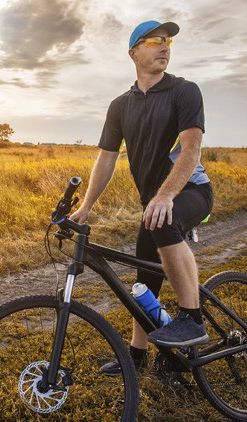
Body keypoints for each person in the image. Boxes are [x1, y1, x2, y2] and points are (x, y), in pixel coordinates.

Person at [69, 20, 214, 374]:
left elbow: (191, 151)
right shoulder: (121, 106)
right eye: (154, 41)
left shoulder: (185, 91)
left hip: (190, 192)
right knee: (142, 281)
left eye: (168, 42)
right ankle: (137, 355)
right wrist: (86, 207)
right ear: (133, 53)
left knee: (163, 224)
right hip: (154, 204)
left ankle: (192, 319)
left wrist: (165, 196)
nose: (164, 46)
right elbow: (106, 159)